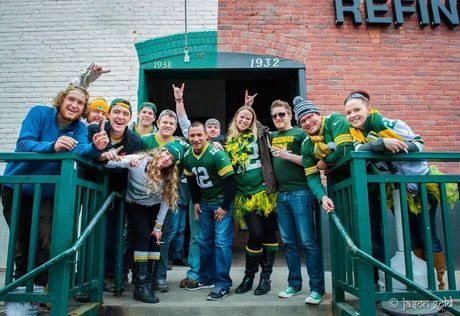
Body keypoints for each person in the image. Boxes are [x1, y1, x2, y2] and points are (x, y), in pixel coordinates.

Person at [2, 84, 109, 286]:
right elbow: (24, 143)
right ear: (61, 101)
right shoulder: (39, 113)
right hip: (17, 188)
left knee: (47, 240)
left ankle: (42, 289)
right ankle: (21, 291)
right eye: (71, 100)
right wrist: (53, 146)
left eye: (80, 103)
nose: (74, 105)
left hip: (49, 192)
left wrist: (96, 147)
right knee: (22, 241)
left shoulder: (79, 128)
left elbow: (82, 149)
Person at [343, 90, 446, 289]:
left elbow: (419, 144)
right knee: (409, 236)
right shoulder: (355, 133)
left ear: (368, 109)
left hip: (419, 185)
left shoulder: (390, 124)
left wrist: (398, 145)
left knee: (426, 234)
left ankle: (439, 287)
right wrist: (381, 144)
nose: (353, 115)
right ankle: (422, 284)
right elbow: (358, 149)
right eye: (348, 112)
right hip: (397, 190)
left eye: (357, 110)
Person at [105, 144, 182, 303]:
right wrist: (121, 160)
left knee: (156, 239)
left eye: (171, 159)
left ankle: (149, 282)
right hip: (135, 204)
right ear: (159, 151)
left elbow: (166, 202)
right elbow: (109, 163)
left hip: (154, 207)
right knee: (142, 235)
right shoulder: (138, 160)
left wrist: (158, 227)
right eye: (166, 153)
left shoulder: (168, 175)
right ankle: (140, 287)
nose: (166, 159)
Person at [269, 99, 325, 305]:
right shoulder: (271, 136)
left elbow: (311, 162)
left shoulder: (301, 133)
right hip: (281, 195)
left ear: (290, 115)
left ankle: (317, 289)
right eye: (274, 115)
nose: (278, 118)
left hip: (301, 192)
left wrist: (287, 155)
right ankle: (294, 284)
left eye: (281, 114)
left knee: (308, 242)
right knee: (289, 243)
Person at [87, 98, 145, 291]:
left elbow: (135, 168)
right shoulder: (94, 131)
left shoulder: (135, 140)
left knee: (113, 235)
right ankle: (88, 276)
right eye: (116, 112)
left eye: (125, 114)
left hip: (117, 193)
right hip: (91, 189)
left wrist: (127, 161)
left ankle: (111, 274)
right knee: (89, 233)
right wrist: (101, 154)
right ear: (109, 114)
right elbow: (83, 153)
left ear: (130, 118)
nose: (120, 117)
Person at [225, 105, 278, 295]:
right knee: (255, 234)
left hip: (265, 192)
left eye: (248, 118)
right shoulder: (227, 141)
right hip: (244, 194)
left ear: (253, 121)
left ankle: (265, 278)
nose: (244, 120)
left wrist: (249, 106)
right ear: (235, 118)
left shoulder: (261, 135)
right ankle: (249, 276)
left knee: (269, 232)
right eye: (241, 117)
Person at [183, 122, 236, 301]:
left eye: (199, 135)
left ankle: (223, 284)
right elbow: (191, 180)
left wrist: (225, 206)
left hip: (221, 202)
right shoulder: (188, 155)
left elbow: (230, 180)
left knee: (221, 243)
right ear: (188, 137)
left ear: (206, 135)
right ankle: (206, 278)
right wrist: (196, 201)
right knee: (204, 241)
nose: (196, 139)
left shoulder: (217, 154)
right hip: (205, 203)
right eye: (192, 136)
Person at [142, 109, 189, 293]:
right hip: (144, 197)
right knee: (140, 236)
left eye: (171, 123)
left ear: (175, 126)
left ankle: (159, 277)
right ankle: (141, 275)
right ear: (158, 123)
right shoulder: (146, 140)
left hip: (166, 198)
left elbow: (194, 154)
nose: (167, 125)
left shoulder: (180, 145)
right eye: (165, 122)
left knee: (163, 238)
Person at [294, 95, 352, 212]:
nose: (308, 122)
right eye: (303, 121)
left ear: (319, 114)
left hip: (364, 177)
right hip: (338, 186)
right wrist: (322, 197)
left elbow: (345, 150)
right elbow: (311, 176)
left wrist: (324, 162)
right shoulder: (306, 145)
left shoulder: (334, 120)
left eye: (310, 116)